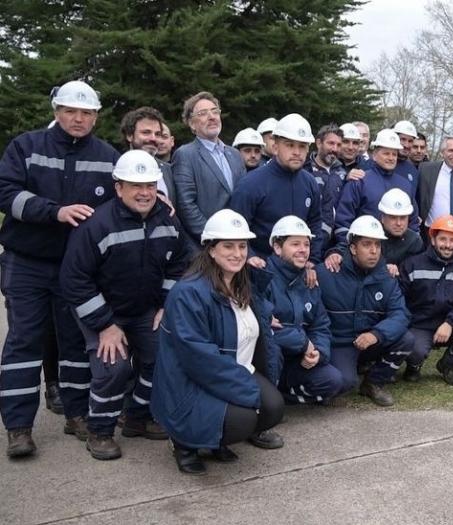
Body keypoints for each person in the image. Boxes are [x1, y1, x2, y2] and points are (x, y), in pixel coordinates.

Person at [0, 80, 120, 458]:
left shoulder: (107, 156)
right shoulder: (27, 146)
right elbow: (5, 192)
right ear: (56, 111)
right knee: (23, 342)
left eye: (86, 113)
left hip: (75, 270)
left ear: (96, 117)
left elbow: (122, 201)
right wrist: (53, 211)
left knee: (73, 344)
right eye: (71, 111)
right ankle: (18, 428)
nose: (78, 118)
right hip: (27, 263)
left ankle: (77, 415)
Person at [60, 150, 189, 459]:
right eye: (135, 185)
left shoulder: (168, 220)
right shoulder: (97, 225)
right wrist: (105, 325)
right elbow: (74, 279)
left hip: (145, 308)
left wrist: (166, 303)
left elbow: (178, 264)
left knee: (163, 357)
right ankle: (100, 431)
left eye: (149, 185)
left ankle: (137, 418)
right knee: (114, 368)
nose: (144, 193)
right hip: (103, 312)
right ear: (118, 187)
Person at [152, 209, 285, 476]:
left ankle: (215, 441)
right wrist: (247, 390)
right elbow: (200, 358)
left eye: (242, 246)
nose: (237, 253)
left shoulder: (243, 282)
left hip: (233, 368)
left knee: (273, 408)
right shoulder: (189, 293)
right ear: (211, 250)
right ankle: (184, 444)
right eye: (228, 246)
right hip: (190, 382)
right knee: (246, 416)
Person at [316, 216, 414, 406]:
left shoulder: (386, 277)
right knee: (344, 383)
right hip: (340, 344)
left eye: (377, 245)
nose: (373, 251)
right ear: (352, 248)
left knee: (407, 339)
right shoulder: (327, 272)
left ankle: (373, 383)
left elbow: (401, 314)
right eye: (367, 245)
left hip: (370, 341)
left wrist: (376, 334)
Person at [265, 216, 343, 405]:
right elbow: (264, 330)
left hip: (297, 360)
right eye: (295, 244)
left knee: (335, 380)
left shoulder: (309, 281)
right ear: (277, 247)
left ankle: (281, 398)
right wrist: (303, 342)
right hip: (268, 360)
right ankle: (269, 399)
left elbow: (320, 325)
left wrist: (317, 352)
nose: (302, 250)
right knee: (272, 351)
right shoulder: (263, 279)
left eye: (306, 245)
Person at [230, 113, 325, 265]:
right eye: (290, 145)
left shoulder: (310, 183)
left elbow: (315, 224)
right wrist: (250, 257)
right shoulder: (251, 184)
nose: (297, 152)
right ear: (275, 147)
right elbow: (236, 227)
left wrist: (312, 259)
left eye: (302, 146)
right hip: (261, 271)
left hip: (299, 272)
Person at [399, 216, 453, 385]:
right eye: (443, 239)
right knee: (415, 349)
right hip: (420, 324)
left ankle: (448, 366)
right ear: (433, 240)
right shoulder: (412, 264)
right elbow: (400, 300)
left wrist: (450, 323)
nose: (447, 245)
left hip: (452, 324)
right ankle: (413, 366)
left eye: (452, 240)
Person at [173, 92, 247, 243]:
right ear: (191, 123)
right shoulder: (185, 155)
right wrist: (212, 238)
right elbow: (186, 206)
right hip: (207, 245)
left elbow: (245, 197)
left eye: (215, 111)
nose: (212, 117)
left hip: (239, 240)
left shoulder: (235, 154)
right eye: (203, 113)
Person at [334, 130, 419, 245]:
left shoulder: (405, 185)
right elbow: (343, 219)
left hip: (398, 252)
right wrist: (349, 246)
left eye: (394, 154)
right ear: (374, 155)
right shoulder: (360, 181)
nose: (391, 158)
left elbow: (412, 222)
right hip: (365, 249)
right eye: (386, 153)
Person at [323, 188, 423, 278]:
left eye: (403, 218)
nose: (398, 223)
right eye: (393, 217)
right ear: (382, 217)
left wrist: (397, 270)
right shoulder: (371, 230)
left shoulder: (415, 241)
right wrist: (335, 253)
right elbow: (348, 245)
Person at [120, 106, 176, 202]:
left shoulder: (169, 171)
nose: (153, 138)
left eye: (158, 134)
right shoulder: (116, 168)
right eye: (146, 132)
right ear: (129, 135)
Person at [391, 120, 420, 189]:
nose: (406, 145)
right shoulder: (376, 164)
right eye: (403, 139)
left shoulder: (413, 171)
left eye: (410, 141)